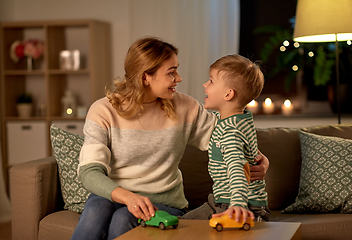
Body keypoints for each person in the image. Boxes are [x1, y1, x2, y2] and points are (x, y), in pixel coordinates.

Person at [71, 37, 269, 240]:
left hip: (165, 202)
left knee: (123, 218)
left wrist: (258, 158)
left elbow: (226, 136)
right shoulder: (103, 111)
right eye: (171, 72)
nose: (179, 78)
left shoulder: (185, 107)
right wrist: (129, 197)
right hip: (116, 195)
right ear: (145, 77)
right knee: (95, 210)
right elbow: (89, 172)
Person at [182, 54, 270, 222]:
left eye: (211, 81)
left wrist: (238, 205)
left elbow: (238, 168)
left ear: (228, 94)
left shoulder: (230, 132)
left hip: (235, 204)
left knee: (183, 228)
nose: (205, 85)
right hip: (226, 200)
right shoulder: (239, 120)